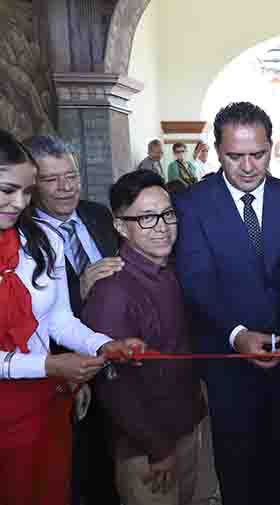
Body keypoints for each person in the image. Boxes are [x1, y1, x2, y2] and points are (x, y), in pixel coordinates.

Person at [174, 101, 280, 505]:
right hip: (227, 360)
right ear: (217, 151)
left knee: (277, 465)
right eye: (235, 156)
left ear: (270, 147)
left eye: (257, 153)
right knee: (236, 470)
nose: (248, 166)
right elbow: (197, 280)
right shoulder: (192, 204)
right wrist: (236, 334)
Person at [0, 128, 141, 505]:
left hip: (49, 399)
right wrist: (50, 365)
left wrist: (105, 344)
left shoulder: (41, 240)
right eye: (7, 190)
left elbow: (58, 320)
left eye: (26, 191)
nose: (17, 203)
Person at [82, 170, 209, 505]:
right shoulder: (113, 291)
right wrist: (157, 448)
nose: (163, 227)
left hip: (184, 424)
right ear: (122, 226)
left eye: (167, 214)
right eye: (147, 218)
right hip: (147, 448)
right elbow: (114, 386)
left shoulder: (171, 270)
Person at [23, 133, 123, 505]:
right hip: (65, 373)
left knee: (118, 462)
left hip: (116, 361)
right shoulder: (24, 234)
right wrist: (78, 288)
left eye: (72, 176)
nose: (66, 188)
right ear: (32, 185)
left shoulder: (98, 215)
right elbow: (39, 318)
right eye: (52, 179)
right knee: (78, 469)